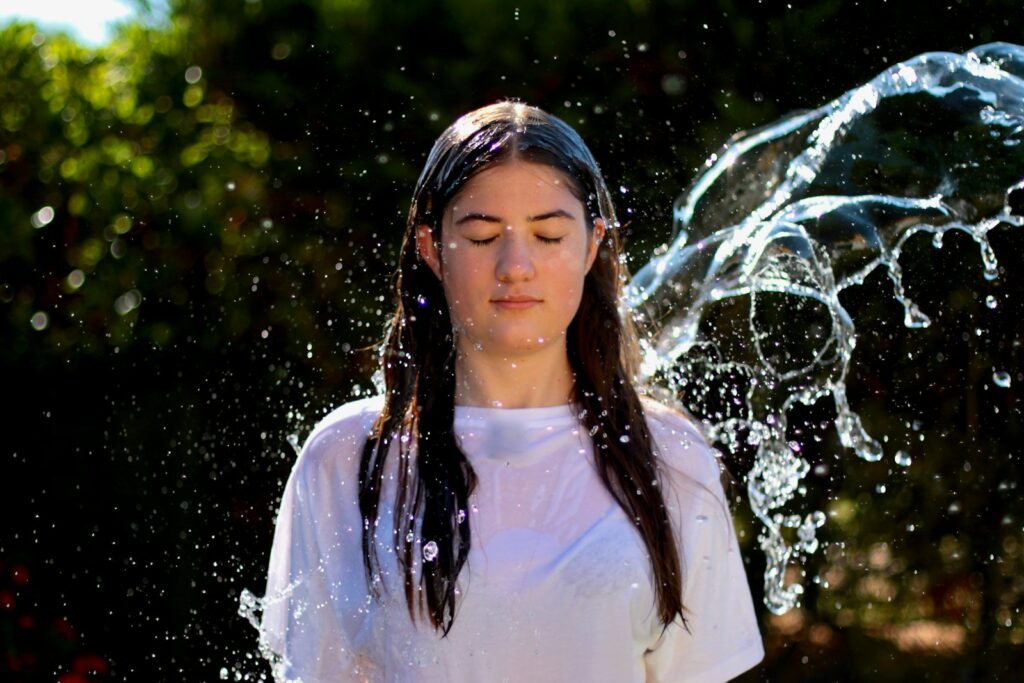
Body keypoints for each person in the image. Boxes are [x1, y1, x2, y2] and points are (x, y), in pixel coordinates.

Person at [258, 101, 764, 682]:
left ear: (592, 245)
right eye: (481, 236)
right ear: (431, 248)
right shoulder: (349, 457)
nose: (516, 265)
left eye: (549, 235)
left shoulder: (670, 457)